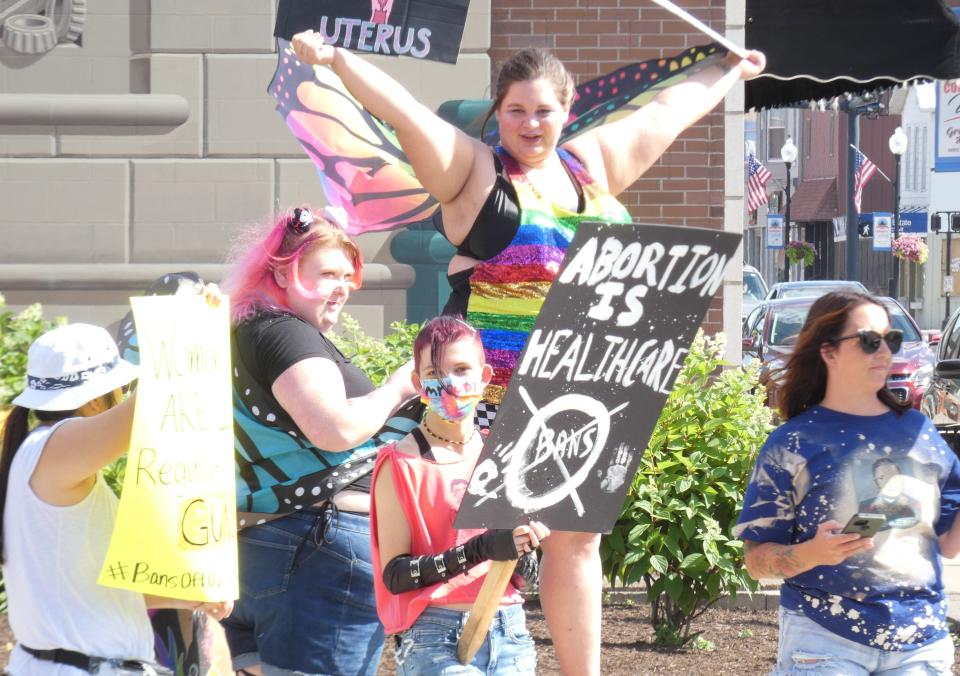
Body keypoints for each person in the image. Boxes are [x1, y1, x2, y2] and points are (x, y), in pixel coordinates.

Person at [291, 30, 766, 674]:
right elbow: (404, 110)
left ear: (567, 111)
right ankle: (451, 655)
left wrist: (729, 69)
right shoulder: (474, 173)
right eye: (515, 110)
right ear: (498, 113)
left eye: (544, 111)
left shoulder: (589, 166)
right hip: (488, 395)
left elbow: (664, 114)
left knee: (577, 539)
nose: (530, 124)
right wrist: (337, 60)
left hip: (584, 384)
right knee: (485, 541)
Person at [219, 205, 419, 675]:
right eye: (327, 273)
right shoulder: (287, 334)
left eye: (348, 276)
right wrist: (398, 387)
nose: (342, 288)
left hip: (275, 544)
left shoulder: (256, 331)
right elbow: (335, 430)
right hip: (318, 549)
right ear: (283, 274)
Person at [735, 291, 960, 675]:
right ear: (829, 352)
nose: (884, 351)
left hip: (921, 644)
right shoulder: (792, 444)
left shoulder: (921, 432)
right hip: (824, 640)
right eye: (869, 341)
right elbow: (756, 562)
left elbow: (949, 545)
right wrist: (815, 553)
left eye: (891, 339)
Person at [0, 320, 231, 675]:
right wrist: (190, 322)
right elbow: (149, 409)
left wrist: (183, 596)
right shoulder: (56, 446)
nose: (124, 395)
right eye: (122, 388)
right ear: (95, 400)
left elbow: (83, 590)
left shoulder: (41, 456)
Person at [370, 315, 549, 675]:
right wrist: (479, 549)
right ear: (419, 384)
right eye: (435, 374)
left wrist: (524, 545)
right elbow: (395, 575)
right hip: (435, 638)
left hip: (511, 632)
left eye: (462, 368)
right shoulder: (401, 463)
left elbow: (526, 574)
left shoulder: (503, 458)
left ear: (485, 378)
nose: (450, 383)